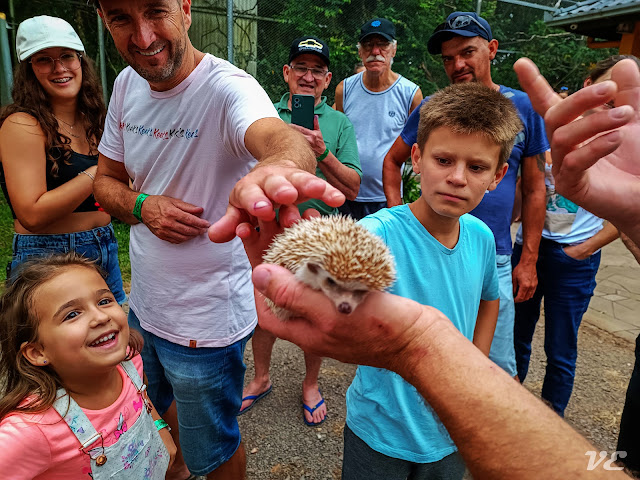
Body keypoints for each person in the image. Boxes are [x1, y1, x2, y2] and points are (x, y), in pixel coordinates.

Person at [92, 1, 344, 479]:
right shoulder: (127, 84)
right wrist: (143, 206)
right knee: (163, 411)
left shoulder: (229, 88)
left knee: (218, 445)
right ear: (105, 20)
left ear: (186, 8)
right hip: (145, 306)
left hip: (204, 326)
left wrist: (276, 169)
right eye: (121, 18)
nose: (143, 37)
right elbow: (104, 180)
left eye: (156, 11)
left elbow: (278, 138)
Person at [345, 82, 515, 479]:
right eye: (443, 160)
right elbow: (326, 291)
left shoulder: (483, 238)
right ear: (416, 159)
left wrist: (477, 362)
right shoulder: (377, 233)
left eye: (476, 167)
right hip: (381, 426)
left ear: (498, 175)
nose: (457, 178)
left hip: (451, 427)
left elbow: (490, 298)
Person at [382, 12, 548, 378]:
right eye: (447, 58)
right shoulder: (434, 109)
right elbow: (392, 161)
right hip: (430, 251)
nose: (457, 65)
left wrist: (529, 258)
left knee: (496, 363)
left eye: (467, 52)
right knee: (424, 350)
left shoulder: (524, 109)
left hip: (496, 254)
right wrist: (399, 221)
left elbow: (536, 187)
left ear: (491, 50)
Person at [515, 55, 640, 478]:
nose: (614, 110)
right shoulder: (551, 126)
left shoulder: (627, 143)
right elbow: (528, 191)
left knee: (562, 349)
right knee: (519, 337)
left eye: (623, 102)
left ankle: (550, 426)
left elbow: (621, 215)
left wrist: (585, 249)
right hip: (533, 247)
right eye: (607, 95)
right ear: (589, 85)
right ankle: (513, 412)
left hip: (573, 258)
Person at [240, 36, 361, 425]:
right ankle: (260, 377)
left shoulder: (340, 123)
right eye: (302, 68)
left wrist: (321, 152)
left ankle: (311, 383)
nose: (309, 77)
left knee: (316, 313)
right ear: (287, 73)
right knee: (263, 310)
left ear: (327, 80)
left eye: (317, 71)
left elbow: (353, 187)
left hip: (318, 234)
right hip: (268, 229)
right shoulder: (262, 117)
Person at [0, 253, 176, 479]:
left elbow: (140, 397)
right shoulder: (30, 430)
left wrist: (160, 427)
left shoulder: (129, 362)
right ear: (38, 352)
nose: (101, 317)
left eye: (104, 301)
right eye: (72, 314)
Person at [0, 15, 125, 304]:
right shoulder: (22, 125)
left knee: (110, 346)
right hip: (49, 256)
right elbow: (31, 214)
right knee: (56, 347)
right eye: (44, 59)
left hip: (105, 246)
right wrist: (99, 172)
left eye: (67, 56)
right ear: (29, 70)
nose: (59, 68)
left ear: (81, 60)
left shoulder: (95, 119)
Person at [334, 17, 422, 220]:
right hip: (347, 194)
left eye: (382, 45)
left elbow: (418, 145)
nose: (375, 52)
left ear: (394, 49)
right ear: (360, 51)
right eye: (368, 45)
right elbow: (341, 141)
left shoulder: (411, 94)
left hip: (387, 198)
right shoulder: (344, 89)